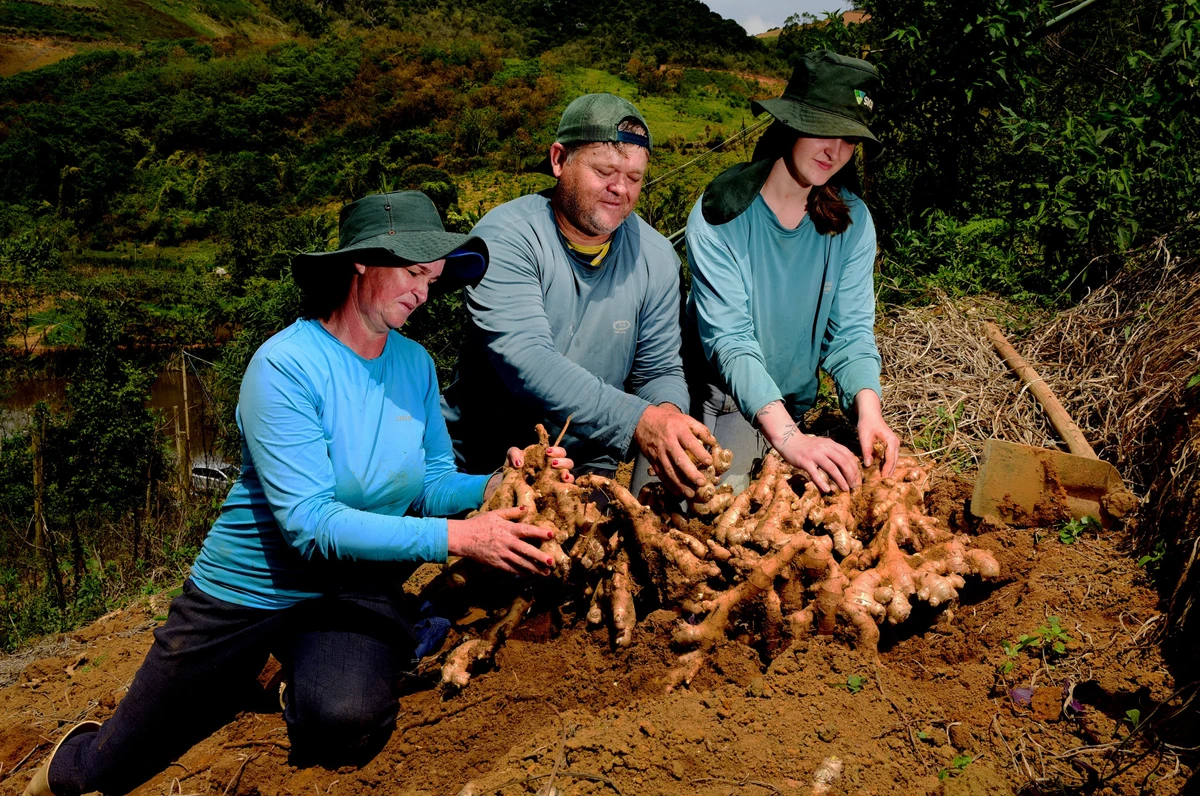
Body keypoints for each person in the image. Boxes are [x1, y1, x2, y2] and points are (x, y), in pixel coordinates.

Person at [24, 191, 572, 796]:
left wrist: (502, 482)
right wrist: (460, 537)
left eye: (433, 278)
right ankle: (84, 750)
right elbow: (311, 523)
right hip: (249, 588)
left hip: (354, 586)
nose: (423, 291)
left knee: (344, 723)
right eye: (413, 272)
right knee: (108, 769)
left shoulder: (414, 364)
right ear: (361, 262)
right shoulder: (284, 365)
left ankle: (294, 674)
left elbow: (432, 484)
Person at [442, 93, 716, 499]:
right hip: (486, 473)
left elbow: (658, 371)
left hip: (589, 478)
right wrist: (640, 422)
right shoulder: (505, 238)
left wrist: (667, 418)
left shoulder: (656, 257)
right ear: (558, 160)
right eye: (604, 170)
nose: (619, 188)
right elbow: (530, 362)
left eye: (635, 177)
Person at [684, 50, 900, 495]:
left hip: (794, 411)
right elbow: (731, 342)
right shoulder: (720, 216)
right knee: (711, 516)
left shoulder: (852, 222)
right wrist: (788, 439)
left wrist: (869, 411)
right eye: (824, 130)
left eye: (850, 138)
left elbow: (852, 333)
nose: (835, 151)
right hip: (722, 405)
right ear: (791, 123)